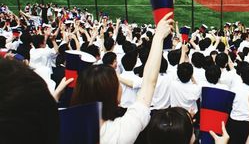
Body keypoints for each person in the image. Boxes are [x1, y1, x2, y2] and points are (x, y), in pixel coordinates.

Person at [71, 12, 174, 144]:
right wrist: (158, 37)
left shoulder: (63, 128)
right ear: (113, 95)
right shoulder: (118, 134)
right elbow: (149, 83)